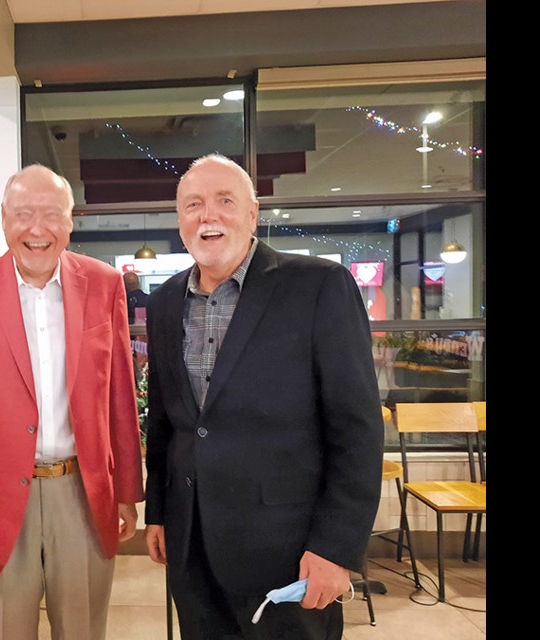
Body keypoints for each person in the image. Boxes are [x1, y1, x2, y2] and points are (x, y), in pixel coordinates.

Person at [143, 155, 383, 640]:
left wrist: (336, 548)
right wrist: (160, 512)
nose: (208, 215)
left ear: (253, 214)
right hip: (192, 546)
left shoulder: (318, 286)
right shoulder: (166, 301)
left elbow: (357, 430)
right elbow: (167, 423)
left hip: (288, 553)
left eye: (224, 201)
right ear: (180, 220)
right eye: (193, 205)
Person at [0, 164, 144, 640]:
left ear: (71, 221)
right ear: (4, 219)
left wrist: (127, 489)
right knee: (7, 630)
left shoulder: (104, 284)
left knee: (84, 629)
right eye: (23, 214)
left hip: (83, 495)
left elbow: (120, 396)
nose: (37, 229)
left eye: (51, 215)